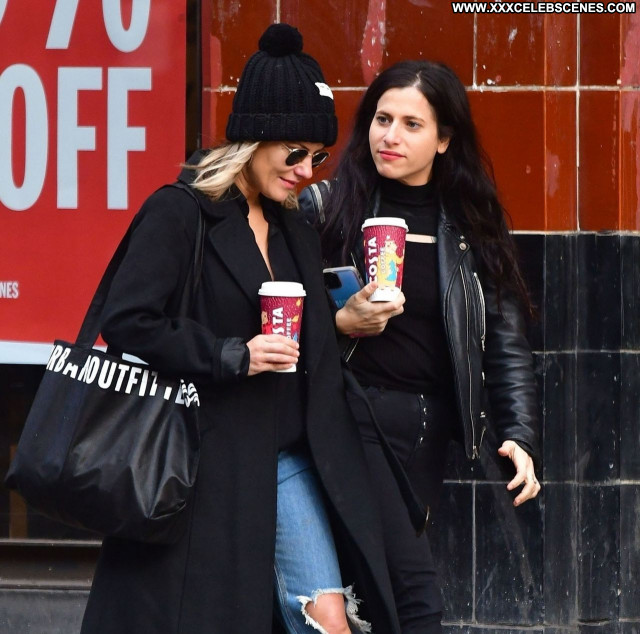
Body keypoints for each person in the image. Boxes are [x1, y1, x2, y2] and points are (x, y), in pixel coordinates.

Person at [80, 24, 403, 634]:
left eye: (317, 156)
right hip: (204, 458)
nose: (306, 170)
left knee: (329, 620)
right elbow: (127, 322)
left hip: (289, 456)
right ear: (254, 137)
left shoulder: (293, 229)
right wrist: (231, 355)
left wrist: (344, 320)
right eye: (294, 152)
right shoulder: (181, 212)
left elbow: (303, 344)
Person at [300, 60, 541, 633]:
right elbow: (280, 318)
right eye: (382, 119)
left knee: (375, 597)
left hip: (426, 433)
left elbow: (505, 342)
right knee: (415, 598)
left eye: (412, 124)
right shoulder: (327, 209)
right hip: (352, 414)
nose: (391, 136)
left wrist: (519, 434)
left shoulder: (472, 225)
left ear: (444, 139)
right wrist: (340, 322)